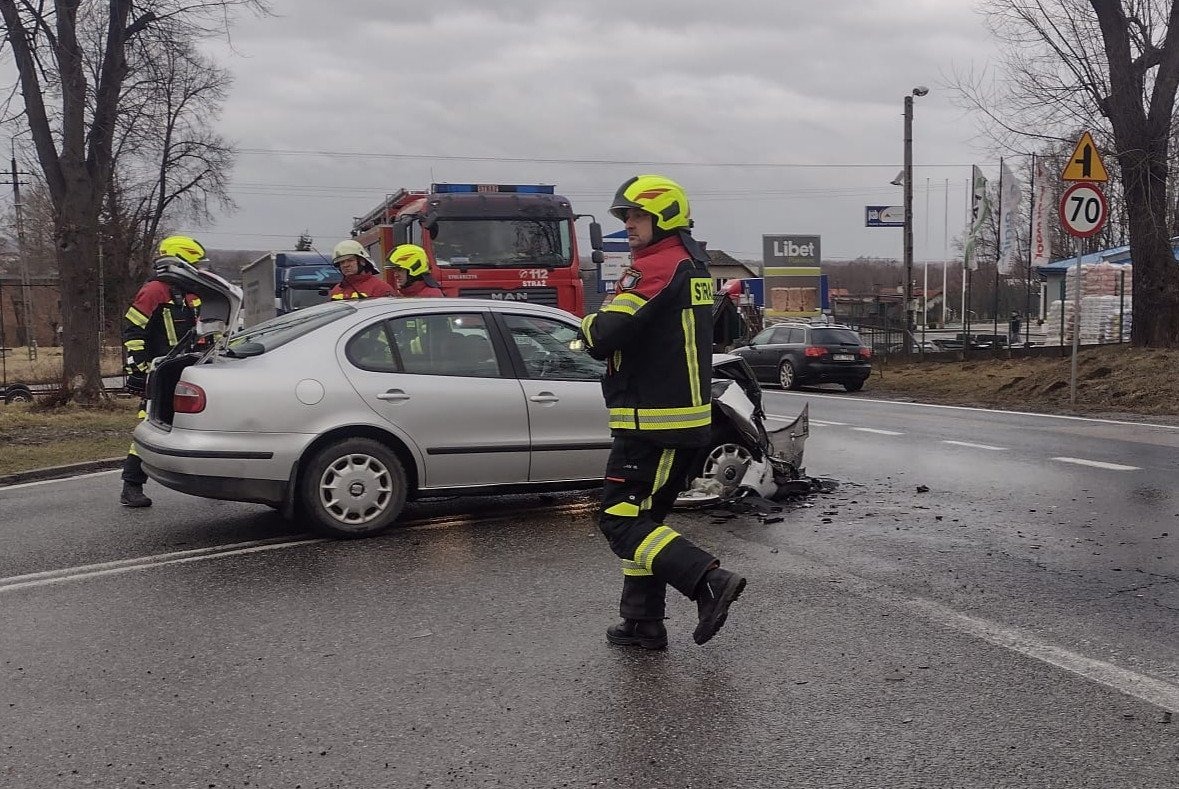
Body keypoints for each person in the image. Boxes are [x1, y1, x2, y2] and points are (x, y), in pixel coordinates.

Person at [579, 174, 747, 650]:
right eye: (625, 216)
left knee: (618, 519)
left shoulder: (657, 265)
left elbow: (604, 334)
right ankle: (642, 622)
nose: (628, 225)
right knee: (643, 518)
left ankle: (707, 581)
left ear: (663, 216)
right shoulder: (689, 264)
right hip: (671, 417)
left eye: (635, 215)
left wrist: (590, 321)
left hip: (652, 422)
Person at [119, 235, 206, 507]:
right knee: (149, 424)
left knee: (201, 423)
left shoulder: (192, 294)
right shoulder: (154, 290)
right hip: (160, 370)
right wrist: (137, 369)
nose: (199, 268)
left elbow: (205, 329)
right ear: (182, 258)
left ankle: (210, 482)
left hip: (190, 367)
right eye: (196, 262)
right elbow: (133, 331)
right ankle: (131, 486)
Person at [328, 240, 396, 300]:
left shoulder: (381, 288)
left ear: (362, 262)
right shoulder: (336, 290)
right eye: (342, 262)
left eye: (350, 260)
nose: (345, 265)